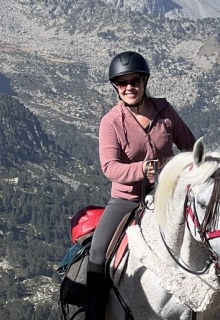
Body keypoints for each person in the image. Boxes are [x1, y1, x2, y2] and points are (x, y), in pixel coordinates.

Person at [83, 51, 196, 309]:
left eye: (134, 80)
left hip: (167, 194)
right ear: (116, 87)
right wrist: (141, 170)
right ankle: (92, 310)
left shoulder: (165, 112)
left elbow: (189, 146)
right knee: (98, 251)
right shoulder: (111, 122)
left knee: (211, 231)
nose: (129, 87)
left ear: (145, 82)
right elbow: (110, 167)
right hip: (126, 200)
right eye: (123, 82)